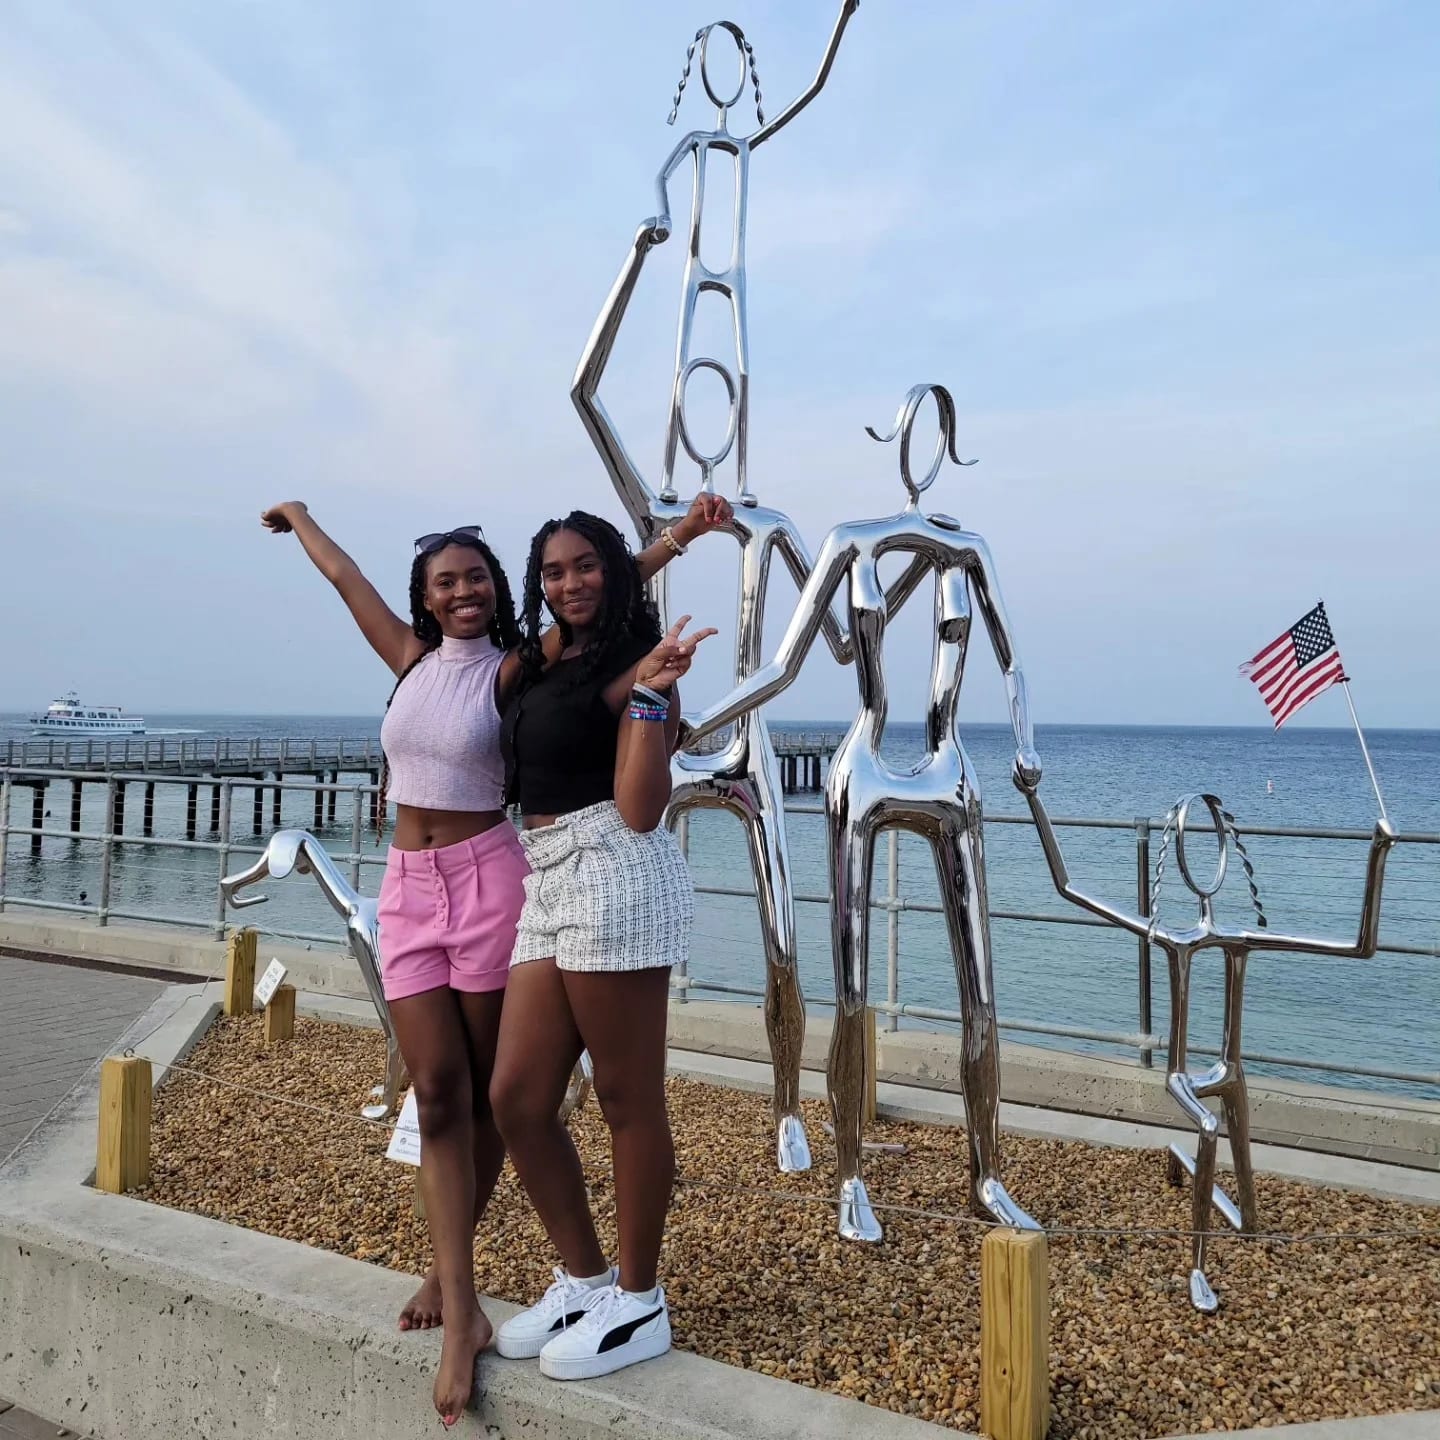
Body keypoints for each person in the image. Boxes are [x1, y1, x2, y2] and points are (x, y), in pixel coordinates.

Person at [259, 497, 726, 1424]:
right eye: (446, 581)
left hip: (541, 872)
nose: (463, 591)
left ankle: (607, 1296)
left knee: (568, 1095)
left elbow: (601, 590)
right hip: (479, 879)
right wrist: (304, 518)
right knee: (482, 1093)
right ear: (428, 596)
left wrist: (674, 545)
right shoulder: (450, 662)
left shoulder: (536, 662)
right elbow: (350, 581)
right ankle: (569, 1280)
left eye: (476, 576)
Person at [490, 510, 711, 1381]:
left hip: (614, 868)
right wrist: (677, 536)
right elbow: (605, 582)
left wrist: (654, 695)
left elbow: (641, 809)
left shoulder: (639, 666)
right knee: (517, 1098)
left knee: (625, 1097)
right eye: (554, 571)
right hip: (544, 872)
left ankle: (640, 1299)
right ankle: (586, 1280)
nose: (570, 583)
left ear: (612, 573)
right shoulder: (549, 656)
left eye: (586, 567)